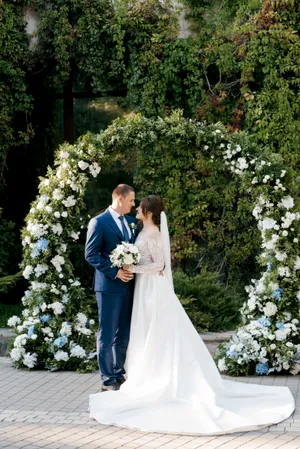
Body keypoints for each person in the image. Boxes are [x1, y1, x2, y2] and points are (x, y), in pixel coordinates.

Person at [89, 195, 295, 434]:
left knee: (155, 330)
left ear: (149, 211)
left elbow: (160, 265)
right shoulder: (137, 227)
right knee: (141, 331)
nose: (136, 207)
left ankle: (151, 376)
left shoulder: (153, 233)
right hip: (142, 289)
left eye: (140, 205)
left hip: (152, 289)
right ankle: (123, 376)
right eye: (134, 202)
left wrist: (131, 267)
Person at [85, 184, 138, 391]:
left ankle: (118, 373)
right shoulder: (99, 222)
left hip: (128, 287)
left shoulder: (131, 223)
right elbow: (91, 254)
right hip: (108, 287)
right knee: (106, 334)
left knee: (123, 333)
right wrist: (114, 272)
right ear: (120, 198)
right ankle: (107, 380)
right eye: (131, 200)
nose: (134, 205)